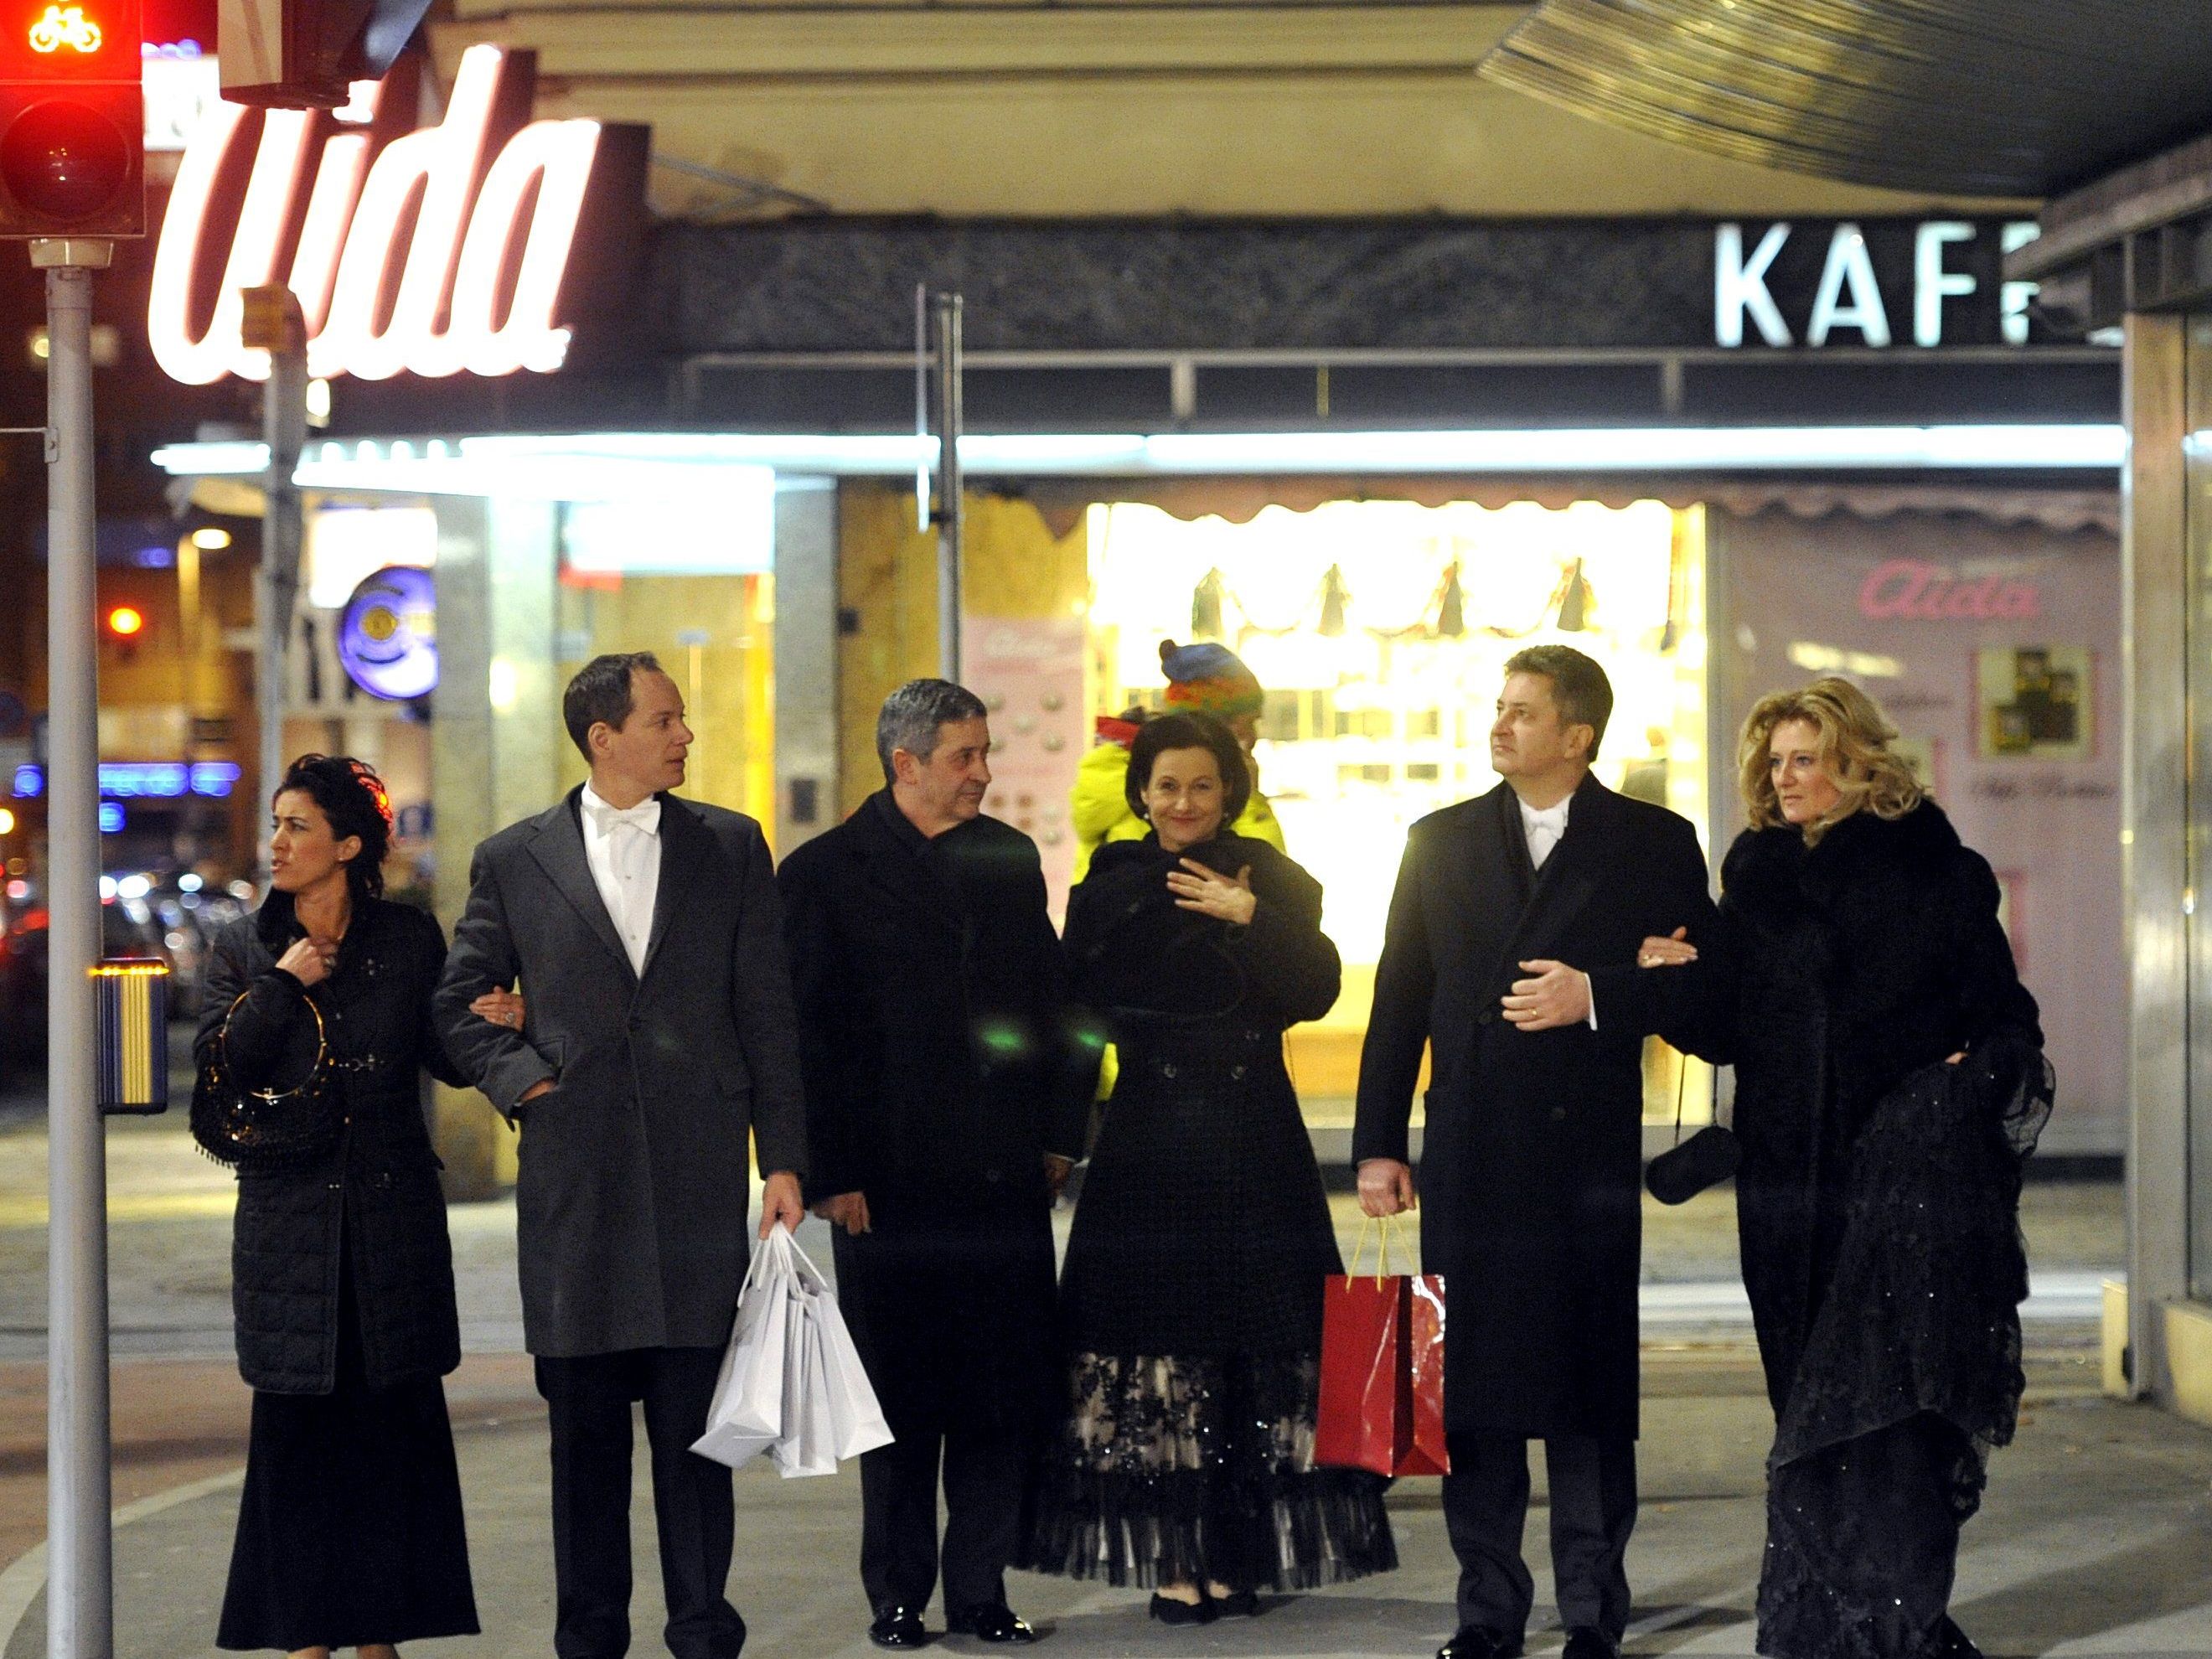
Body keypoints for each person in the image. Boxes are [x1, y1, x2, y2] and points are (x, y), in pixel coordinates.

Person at [1632, 677, 2048, 1659]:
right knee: (1804, 1401)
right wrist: (1673, 987)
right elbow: (1727, 1031)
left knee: (1895, 1412)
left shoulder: (1936, 871)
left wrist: (1958, 1082)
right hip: (1785, 1182)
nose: (1784, 781)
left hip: (1904, 1188)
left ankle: (1899, 1625)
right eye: (1773, 763)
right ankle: (1820, 1624)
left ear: (1858, 765)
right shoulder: (1756, 876)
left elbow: (2006, 1023)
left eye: (1804, 760)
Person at [434, 652, 809, 1659]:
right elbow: (457, 1005)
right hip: (576, 1195)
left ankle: (702, 1632)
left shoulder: (731, 846)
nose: (685, 736)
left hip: (694, 1188)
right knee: (584, 1450)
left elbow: (767, 1012)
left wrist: (784, 1160)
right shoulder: (515, 859)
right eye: (666, 719)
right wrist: (525, 1078)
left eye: (682, 720)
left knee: (700, 1444)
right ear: (605, 738)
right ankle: (589, 1639)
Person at [1353, 645, 1718, 1659]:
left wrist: (1604, 991)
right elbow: (1399, 1002)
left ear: (1578, 735)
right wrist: (1379, 1146)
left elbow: (1706, 998)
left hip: (1586, 1156)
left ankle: (1595, 1610)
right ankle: (1488, 1611)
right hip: (1472, 1145)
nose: (1501, 725)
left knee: (1590, 1391)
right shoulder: (1440, 840)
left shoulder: (1652, 841)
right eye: (1498, 708)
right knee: (1477, 1388)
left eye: (1523, 712)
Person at [1022, 711, 1396, 1621]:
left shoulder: (1276, 882)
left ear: (1229, 791)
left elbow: (1315, 989)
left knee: (1254, 1349)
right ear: (1141, 795)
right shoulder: (1107, 890)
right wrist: (1059, 1138)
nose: (1182, 802)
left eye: (1200, 785)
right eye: (1165, 786)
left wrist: (1251, 914)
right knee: (1157, 1355)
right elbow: (1075, 1027)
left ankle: (1237, 1556)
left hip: (1254, 1140)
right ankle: (1172, 1559)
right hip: (1148, 1142)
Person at [778, 679, 1096, 1651]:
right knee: (902, 1402)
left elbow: (1054, 1004)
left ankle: (984, 1592)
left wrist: (1058, 1134)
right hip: (887, 1185)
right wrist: (825, 1172)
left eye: (985, 753)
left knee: (999, 1395)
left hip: (1000, 1174)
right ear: (904, 762)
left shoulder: (1004, 860)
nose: (984, 774)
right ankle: (899, 1596)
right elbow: (804, 1036)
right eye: (965, 757)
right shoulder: (825, 873)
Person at [204, 755, 479, 1658]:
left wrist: (497, 1021)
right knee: (302, 1440)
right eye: (276, 825)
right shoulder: (243, 945)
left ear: (348, 845)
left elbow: (444, 1054)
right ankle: (307, 1637)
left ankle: (379, 1638)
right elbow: (224, 1074)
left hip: (391, 1220)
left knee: (388, 1434)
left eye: (296, 827)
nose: (276, 843)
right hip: (291, 1227)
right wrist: (281, 984)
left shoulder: (407, 939)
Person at [1069, 641, 1284, 883]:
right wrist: (1250, 799)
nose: (1253, 735)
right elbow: (1270, 881)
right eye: (1248, 721)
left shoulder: (1119, 775)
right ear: (1213, 728)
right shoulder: (1163, 809)